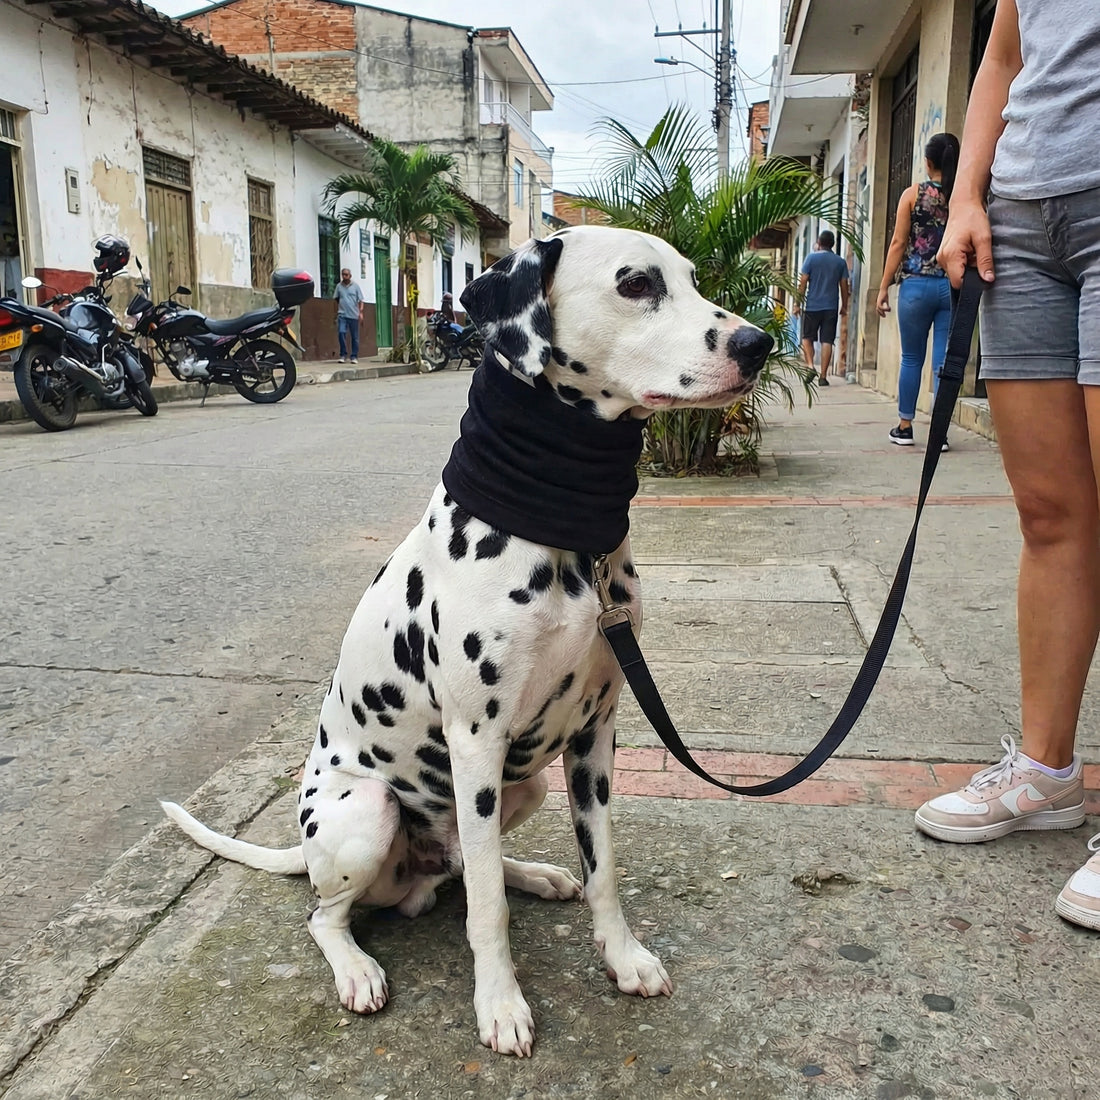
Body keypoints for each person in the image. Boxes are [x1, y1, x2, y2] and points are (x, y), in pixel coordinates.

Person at [915, 0, 1100, 932]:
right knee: (1051, 516)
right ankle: (1047, 772)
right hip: (1025, 215)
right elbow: (1003, 55)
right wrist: (971, 195)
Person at [876, 133, 960, 451]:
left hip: (914, 286)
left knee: (911, 357)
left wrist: (883, 286)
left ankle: (905, 427)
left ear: (928, 163)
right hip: (951, 287)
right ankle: (940, 434)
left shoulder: (912, 195)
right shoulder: (963, 196)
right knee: (943, 362)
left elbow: (898, 243)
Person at [794, 230, 849, 386]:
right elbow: (844, 286)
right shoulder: (840, 262)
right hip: (831, 306)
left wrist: (797, 304)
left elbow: (803, 282)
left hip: (812, 306)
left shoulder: (811, 258)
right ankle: (823, 376)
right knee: (827, 341)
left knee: (806, 338)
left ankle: (811, 366)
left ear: (818, 242)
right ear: (833, 244)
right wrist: (844, 306)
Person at [334, 268, 364, 364]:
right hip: (342, 314)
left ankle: (354, 356)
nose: (344, 276)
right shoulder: (339, 286)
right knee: (341, 333)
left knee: (354, 337)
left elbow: (361, 300)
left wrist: (361, 312)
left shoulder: (355, 286)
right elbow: (336, 299)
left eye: (346, 274)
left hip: (353, 315)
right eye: (343, 274)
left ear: (350, 276)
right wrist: (336, 313)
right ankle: (343, 354)